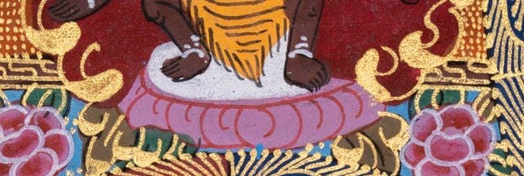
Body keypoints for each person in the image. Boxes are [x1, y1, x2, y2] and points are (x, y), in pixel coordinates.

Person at [47, 0, 333, 92]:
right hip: (206, 15)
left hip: (271, 23)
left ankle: (298, 54)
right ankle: (193, 49)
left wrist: (299, 52)